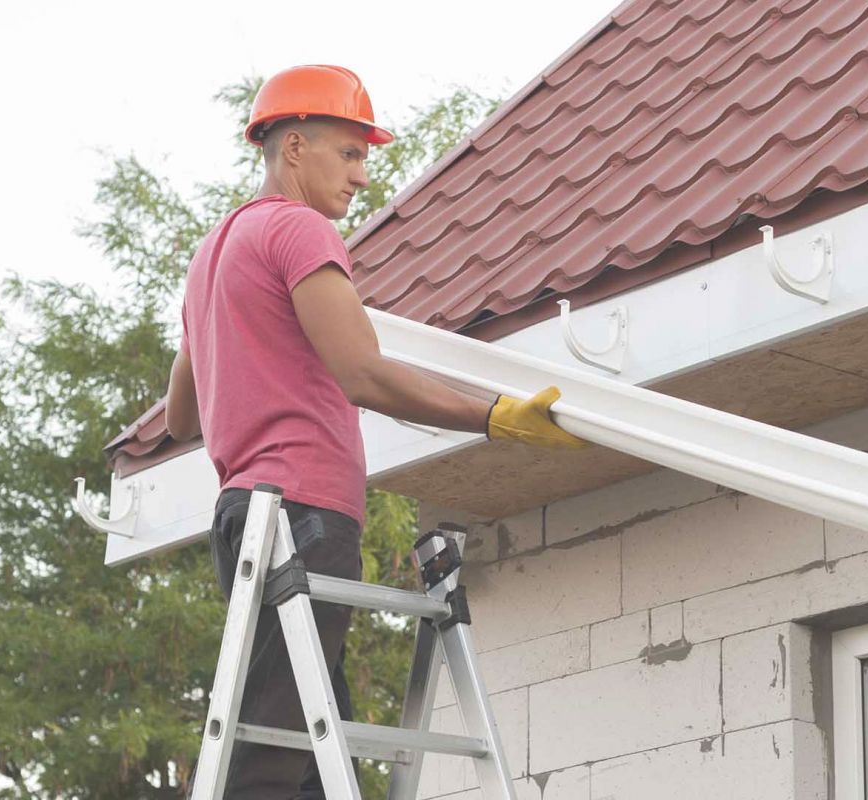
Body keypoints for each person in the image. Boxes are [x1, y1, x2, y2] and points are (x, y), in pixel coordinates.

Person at [163, 64, 587, 799]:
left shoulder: (214, 252)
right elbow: (365, 374)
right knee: (267, 764)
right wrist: (491, 414)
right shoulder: (299, 230)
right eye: (350, 153)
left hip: (244, 518)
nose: (362, 176)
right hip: (303, 516)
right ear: (294, 147)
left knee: (309, 766)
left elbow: (179, 419)